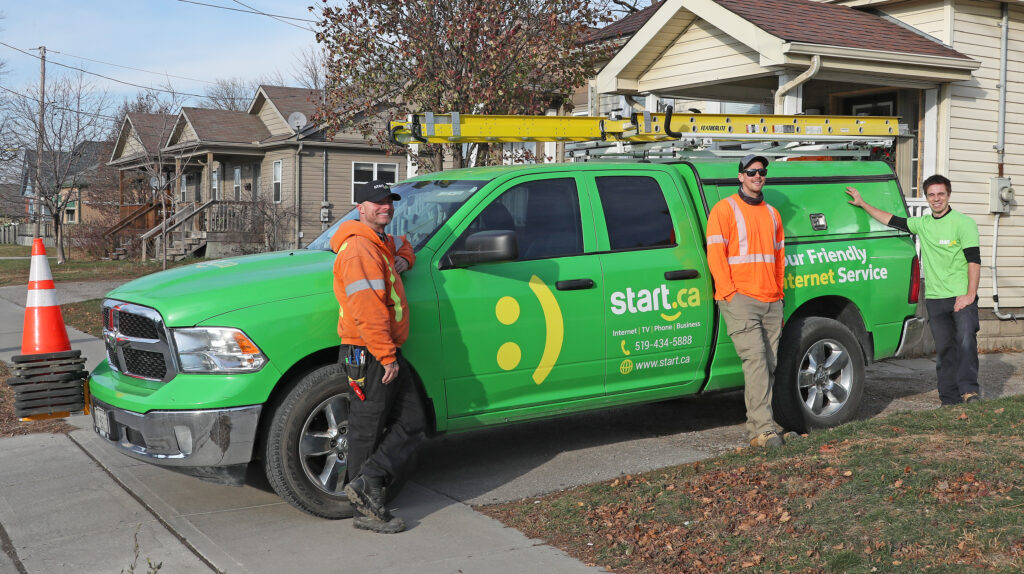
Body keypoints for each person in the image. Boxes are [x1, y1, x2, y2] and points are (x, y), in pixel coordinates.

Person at [330, 179, 424, 533]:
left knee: (413, 421)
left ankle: (366, 481)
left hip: (380, 350)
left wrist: (403, 259)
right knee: (366, 429)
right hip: (368, 352)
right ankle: (366, 509)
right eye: (376, 202)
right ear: (360, 207)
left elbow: (405, 245)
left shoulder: (381, 242)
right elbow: (367, 309)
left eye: (388, 201)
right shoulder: (359, 250)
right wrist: (386, 357)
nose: (385, 206)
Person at [846, 174, 981, 405]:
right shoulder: (923, 224)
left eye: (940, 194)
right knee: (945, 349)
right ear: (926, 197)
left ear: (948, 195)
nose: (936, 199)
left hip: (961, 296)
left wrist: (969, 295)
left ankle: (970, 392)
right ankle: (949, 399)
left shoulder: (964, 223)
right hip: (936, 298)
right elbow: (891, 220)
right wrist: (863, 203)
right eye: (931, 195)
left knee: (966, 341)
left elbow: (974, 260)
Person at [706, 154, 787, 449]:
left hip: (770, 299)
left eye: (761, 171)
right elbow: (715, 255)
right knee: (755, 361)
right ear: (740, 176)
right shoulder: (724, 209)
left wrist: (779, 294)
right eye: (751, 171)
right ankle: (763, 429)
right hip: (740, 298)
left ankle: (760, 424)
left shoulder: (773, 214)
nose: (757, 175)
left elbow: (779, 258)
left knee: (769, 363)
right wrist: (728, 292)